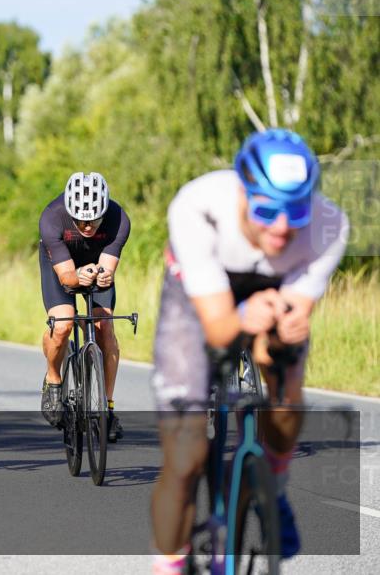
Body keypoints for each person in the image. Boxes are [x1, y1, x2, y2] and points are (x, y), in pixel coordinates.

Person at [149, 129, 348, 573]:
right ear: (243, 192)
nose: (281, 227)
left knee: (285, 387)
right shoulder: (197, 207)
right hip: (197, 294)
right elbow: (219, 330)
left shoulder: (328, 226)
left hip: (274, 288)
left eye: (296, 211)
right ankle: (170, 563)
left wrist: (280, 334)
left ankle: (272, 484)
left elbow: (277, 337)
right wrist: (241, 320)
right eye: (267, 209)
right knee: (185, 457)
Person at [38, 171, 131, 442]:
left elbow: (108, 268)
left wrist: (104, 275)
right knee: (63, 322)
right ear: (69, 210)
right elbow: (67, 277)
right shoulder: (52, 217)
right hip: (62, 265)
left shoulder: (119, 219)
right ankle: (53, 381)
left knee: (105, 326)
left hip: (96, 261)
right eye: (80, 220)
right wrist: (77, 276)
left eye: (94, 219)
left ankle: (107, 408)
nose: (87, 226)